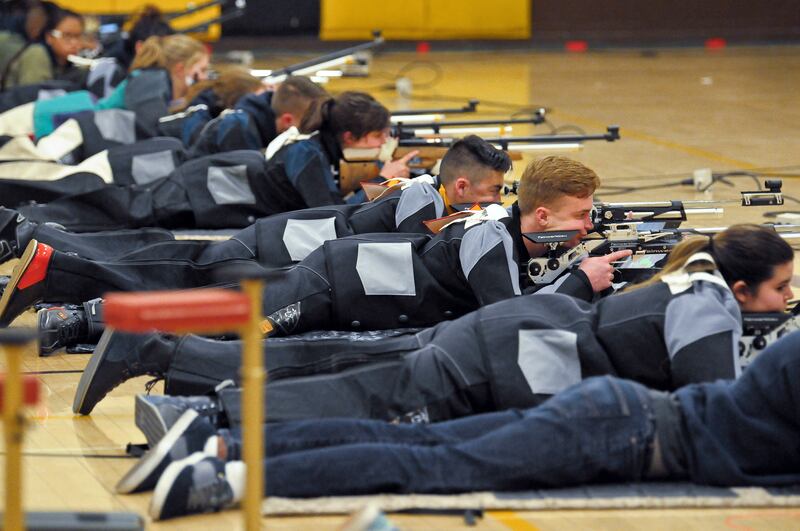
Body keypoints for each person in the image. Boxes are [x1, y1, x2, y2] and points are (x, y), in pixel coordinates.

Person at [70, 224, 794, 426]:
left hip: (523, 330)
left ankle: (167, 354)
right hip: (522, 349)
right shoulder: (708, 303)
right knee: (365, 399)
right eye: (783, 287)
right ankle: (198, 404)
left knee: (339, 367)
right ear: (740, 285)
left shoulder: (690, 279)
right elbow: (716, 407)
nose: (787, 297)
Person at [121, 327, 800, 520]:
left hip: (618, 412)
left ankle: (216, 446)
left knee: (419, 443)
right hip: (623, 430)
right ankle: (230, 478)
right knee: (432, 465)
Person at [0, 156, 625, 333]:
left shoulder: (450, 209)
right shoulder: (437, 207)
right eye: (487, 189)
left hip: (318, 262)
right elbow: (504, 312)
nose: (490, 197)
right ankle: (54, 269)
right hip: (309, 263)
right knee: (197, 294)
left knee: (175, 267)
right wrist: (573, 280)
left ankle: (63, 292)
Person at [0, 2, 86, 90]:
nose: (75, 43)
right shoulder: (36, 54)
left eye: (78, 36)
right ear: (49, 36)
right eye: (67, 36)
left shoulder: (69, 64)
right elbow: (35, 97)